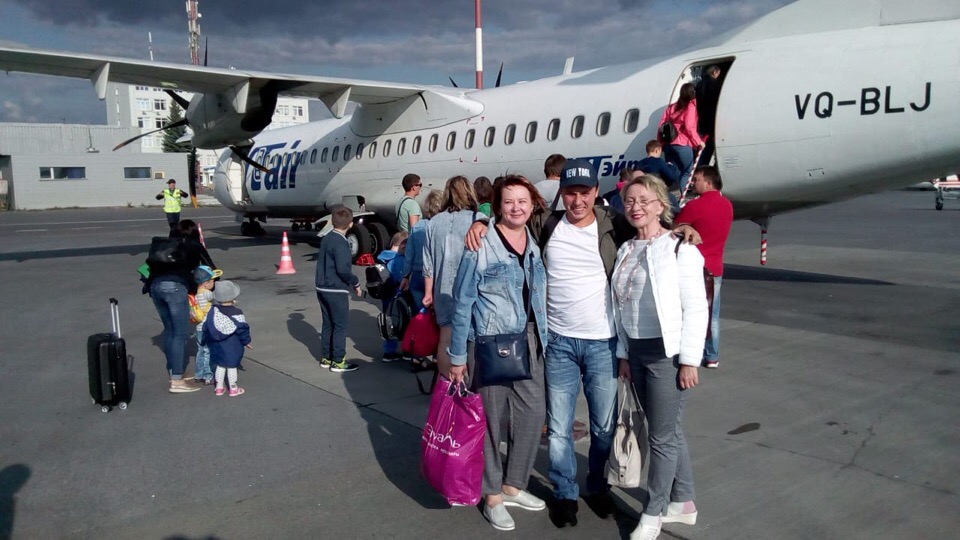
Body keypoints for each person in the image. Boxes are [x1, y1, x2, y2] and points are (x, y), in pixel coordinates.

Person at [465, 159, 700, 528]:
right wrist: (480, 221)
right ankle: (564, 492)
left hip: (603, 344)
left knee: (603, 427)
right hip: (558, 343)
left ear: (596, 192)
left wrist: (681, 228)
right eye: (571, 193)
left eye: (585, 192)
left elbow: (651, 226)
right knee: (559, 428)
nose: (578, 200)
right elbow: (509, 219)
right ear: (562, 194)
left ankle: (597, 485)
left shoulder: (612, 223)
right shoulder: (548, 223)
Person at [446, 175, 549, 531]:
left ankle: (513, 485)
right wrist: (457, 356)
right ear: (498, 207)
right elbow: (462, 301)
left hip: (529, 339)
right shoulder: (481, 243)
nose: (516, 208)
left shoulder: (532, 241)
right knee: (490, 421)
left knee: (533, 414)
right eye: (509, 202)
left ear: (532, 205)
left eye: (523, 201)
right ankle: (491, 494)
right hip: (490, 342)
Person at [611, 175, 708, 540]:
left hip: (666, 355)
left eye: (644, 200)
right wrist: (624, 353)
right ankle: (684, 502)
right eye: (629, 201)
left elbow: (695, 307)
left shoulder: (681, 248)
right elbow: (621, 306)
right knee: (667, 430)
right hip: (636, 351)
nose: (635, 207)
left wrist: (689, 360)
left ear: (660, 205)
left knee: (661, 437)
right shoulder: (626, 248)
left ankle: (652, 513)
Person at [673, 166, 733, 368]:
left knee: (690, 311)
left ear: (708, 182)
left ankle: (689, 353)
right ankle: (712, 355)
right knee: (713, 314)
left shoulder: (695, 206)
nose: (692, 183)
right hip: (716, 267)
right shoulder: (727, 205)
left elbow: (674, 227)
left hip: (695, 267)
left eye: (696, 179)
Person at [422, 176, 479, 374]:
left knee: (446, 338)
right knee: (472, 339)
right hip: (471, 288)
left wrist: (428, 292)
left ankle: (447, 382)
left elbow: (428, 262)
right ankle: (469, 382)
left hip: (442, 289)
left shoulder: (434, 222)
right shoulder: (477, 219)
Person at [146, 222, 208, 393]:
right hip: (175, 288)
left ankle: (174, 370)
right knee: (180, 334)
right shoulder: (194, 246)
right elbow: (208, 268)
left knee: (170, 331)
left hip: (155, 287)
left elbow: (146, 268)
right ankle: (177, 381)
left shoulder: (162, 245)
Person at [315, 205, 363, 373]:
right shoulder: (341, 243)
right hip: (335, 289)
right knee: (340, 326)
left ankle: (326, 357)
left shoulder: (326, 238)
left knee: (327, 324)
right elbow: (343, 270)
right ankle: (338, 360)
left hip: (322, 287)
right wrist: (355, 282)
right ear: (350, 224)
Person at [201, 280, 253, 397]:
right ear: (234, 297)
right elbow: (242, 329)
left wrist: (204, 340)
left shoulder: (213, 311)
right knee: (231, 366)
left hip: (217, 344)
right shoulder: (237, 312)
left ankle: (219, 388)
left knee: (220, 365)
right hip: (232, 344)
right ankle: (233, 388)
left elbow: (206, 327)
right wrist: (246, 341)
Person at [401, 189, 443, 311]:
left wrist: (405, 276)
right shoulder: (443, 227)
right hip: (438, 275)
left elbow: (409, 255)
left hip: (418, 273)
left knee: (420, 311)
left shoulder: (417, 227)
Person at [658, 83, 704, 194]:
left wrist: (661, 143)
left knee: (674, 172)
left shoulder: (672, 107)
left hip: (669, 144)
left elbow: (661, 125)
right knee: (687, 171)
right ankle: (684, 196)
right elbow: (689, 126)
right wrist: (698, 142)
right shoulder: (690, 106)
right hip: (682, 143)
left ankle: (672, 197)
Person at [377, 231, 408, 362]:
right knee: (403, 321)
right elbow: (400, 278)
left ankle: (389, 351)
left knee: (389, 322)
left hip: (385, 295)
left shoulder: (382, 257)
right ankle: (407, 350)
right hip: (397, 296)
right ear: (403, 246)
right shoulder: (398, 259)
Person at [191, 265, 222, 385]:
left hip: (199, 327)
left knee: (201, 351)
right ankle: (208, 375)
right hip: (207, 327)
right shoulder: (206, 293)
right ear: (205, 283)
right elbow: (217, 297)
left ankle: (198, 374)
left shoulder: (197, 294)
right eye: (212, 281)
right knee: (208, 351)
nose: (214, 283)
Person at [695, 65, 723, 167]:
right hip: (713, 123)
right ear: (715, 72)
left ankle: (700, 170)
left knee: (703, 153)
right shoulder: (717, 85)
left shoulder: (699, 85)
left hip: (701, 124)